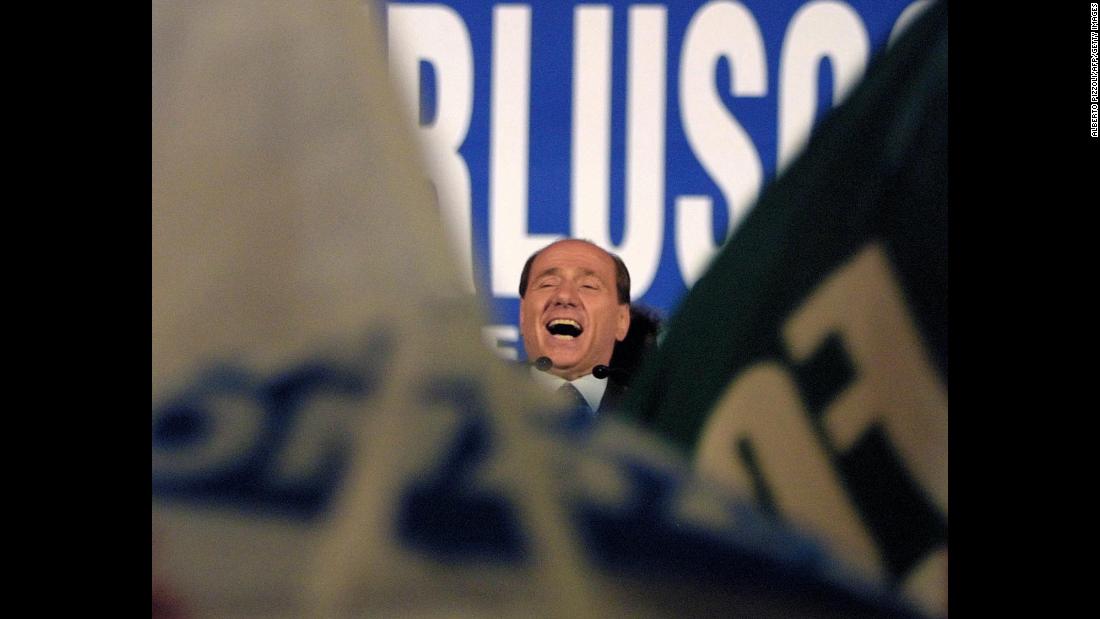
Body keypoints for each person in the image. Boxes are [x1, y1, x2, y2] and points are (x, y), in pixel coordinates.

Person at [518, 239, 631, 418]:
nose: (564, 295)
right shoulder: (473, 410)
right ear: (523, 314)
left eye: (588, 286)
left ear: (622, 319)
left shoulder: (656, 418)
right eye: (548, 284)